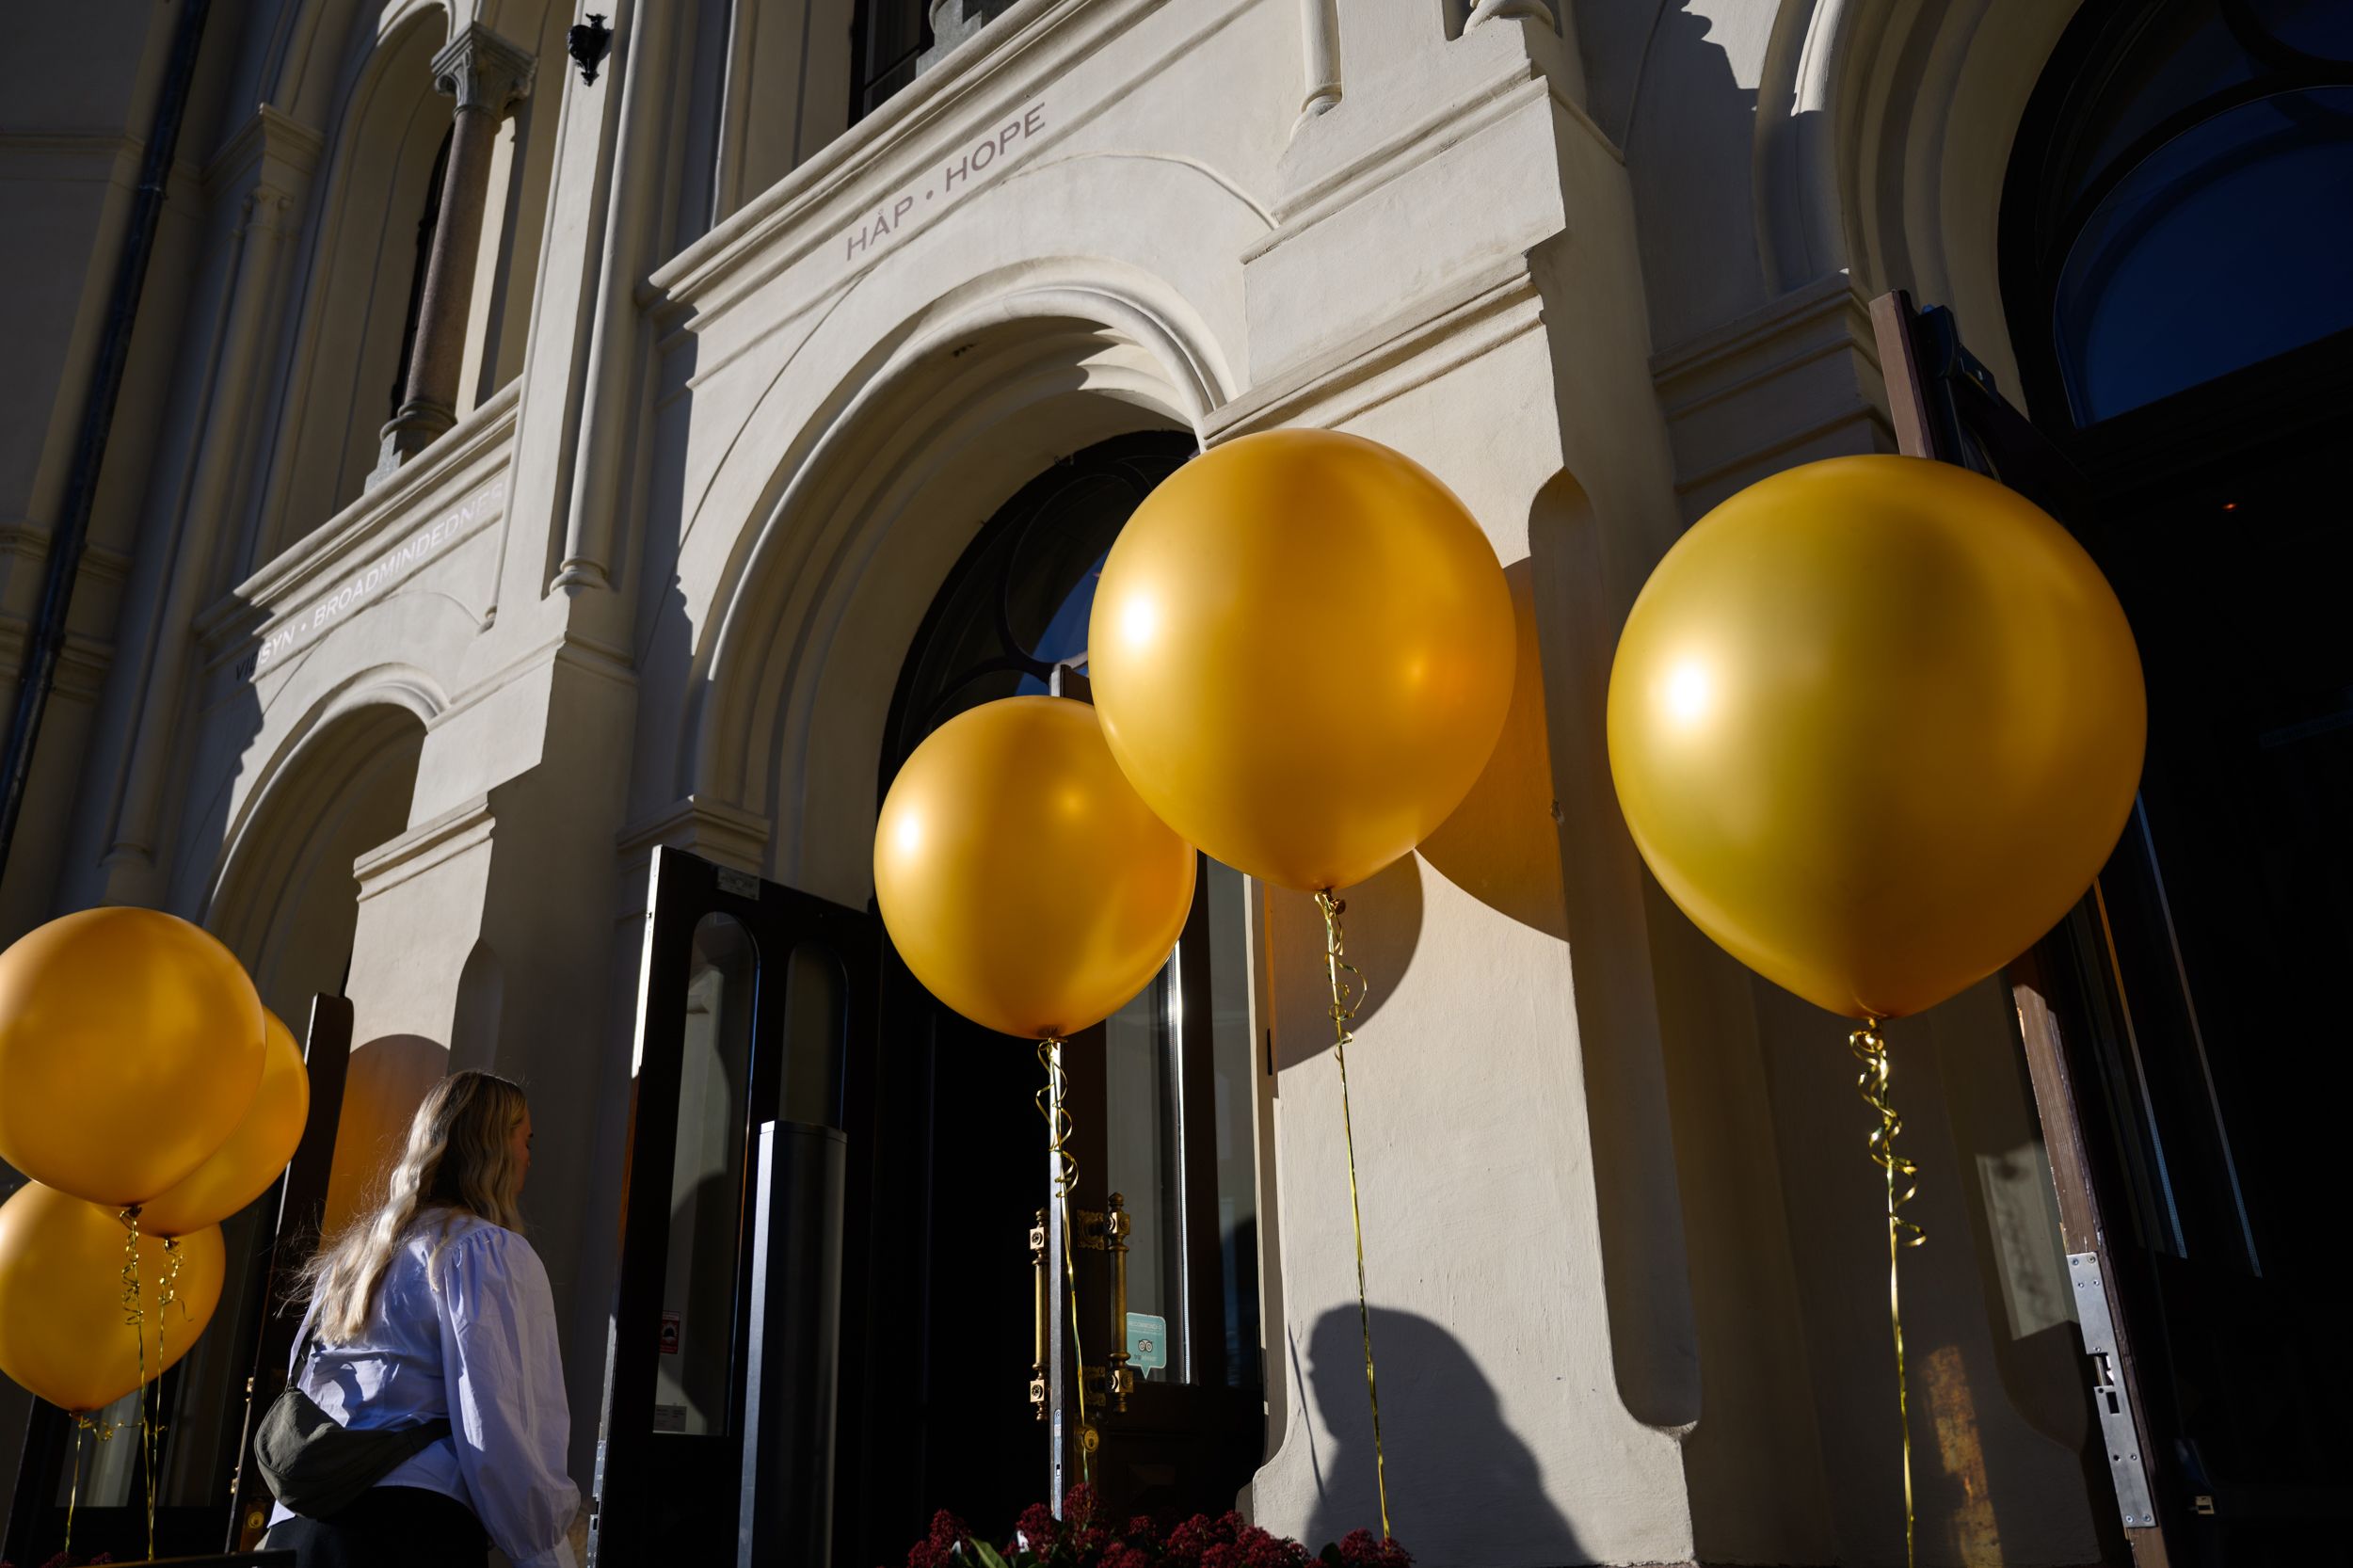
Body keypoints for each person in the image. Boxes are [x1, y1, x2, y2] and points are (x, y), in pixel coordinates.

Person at [263, 1071, 581, 1568]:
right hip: (406, 1529)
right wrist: (544, 1552)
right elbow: (500, 1426)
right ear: (493, 1149)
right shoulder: (483, 1251)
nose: (529, 1157)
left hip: (302, 1530)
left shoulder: (356, 1259)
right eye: (525, 1140)